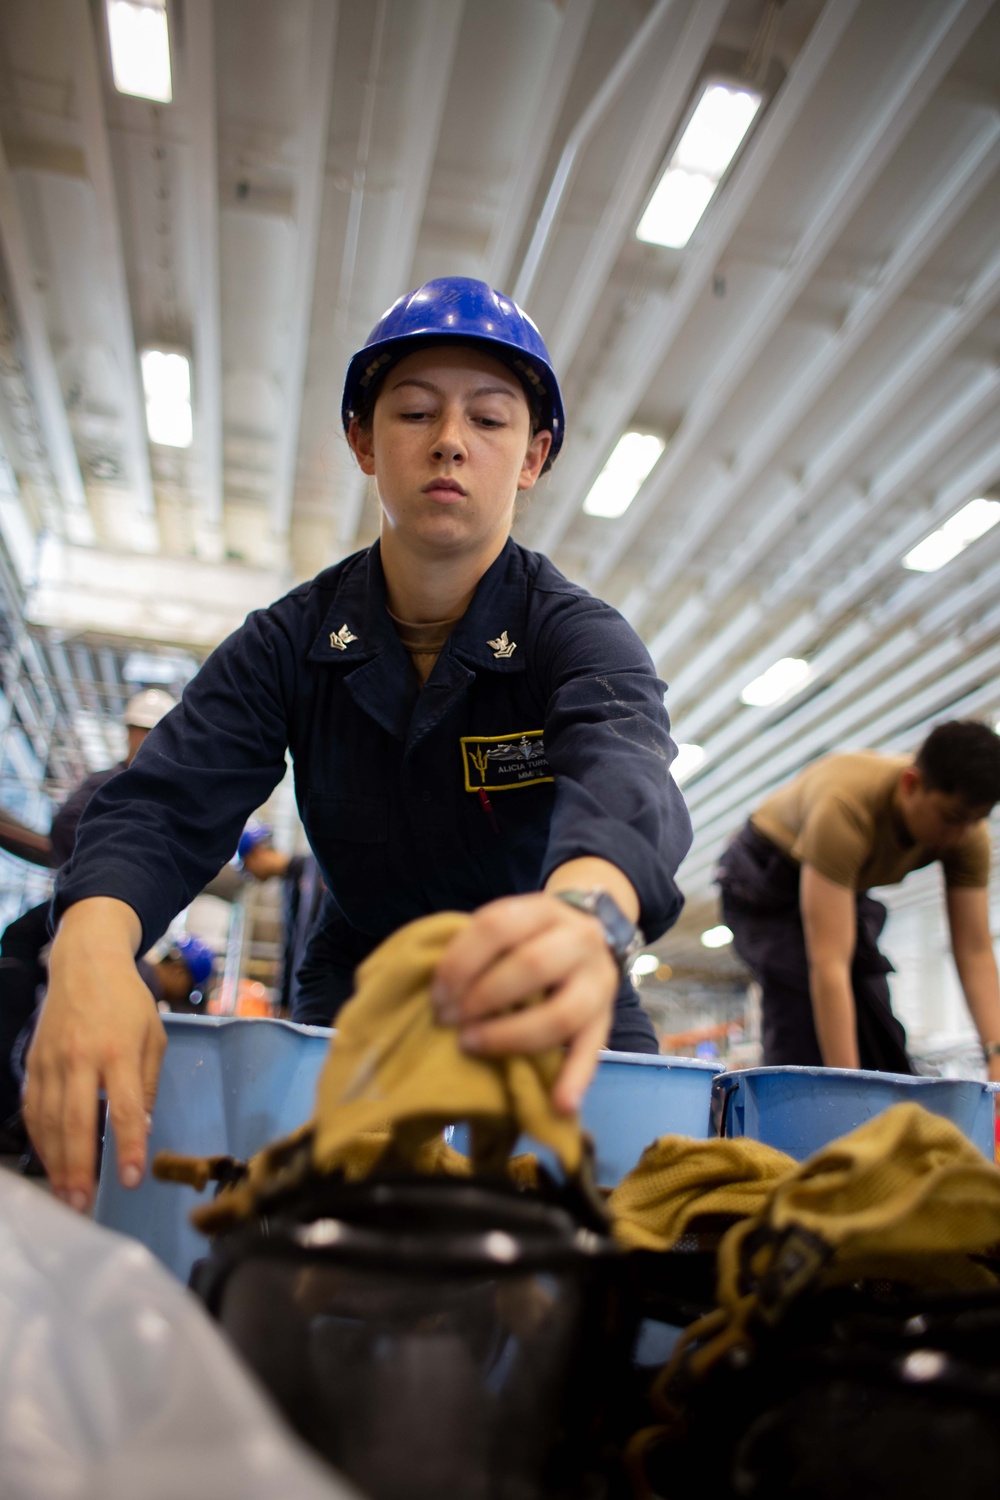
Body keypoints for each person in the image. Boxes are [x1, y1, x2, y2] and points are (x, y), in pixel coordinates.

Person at [24, 276, 692, 1213]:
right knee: (336, 1234)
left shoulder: (577, 639)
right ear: (365, 442)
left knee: (612, 1229)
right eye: (415, 411)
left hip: (555, 969)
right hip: (364, 978)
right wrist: (90, 943)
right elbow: (168, 798)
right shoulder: (287, 642)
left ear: (535, 455)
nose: (451, 439)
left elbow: (627, 773)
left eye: (490, 421)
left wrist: (591, 919)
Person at [716, 722, 1000, 1079]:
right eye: (952, 819)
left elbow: (974, 949)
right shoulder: (846, 807)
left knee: (879, 1031)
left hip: (840, 885)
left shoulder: (967, 833)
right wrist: (847, 1089)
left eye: (974, 822)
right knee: (799, 1011)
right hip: (765, 872)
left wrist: (996, 1054)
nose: (960, 835)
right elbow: (829, 962)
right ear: (911, 784)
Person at [0, 688, 176, 1141]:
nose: (146, 742)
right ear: (130, 734)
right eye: (142, 732)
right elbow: (64, 830)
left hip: (120, 925)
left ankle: (48, 1119)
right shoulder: (110, 784)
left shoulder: (157, 789)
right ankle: (23, 1112)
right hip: (79, 914)